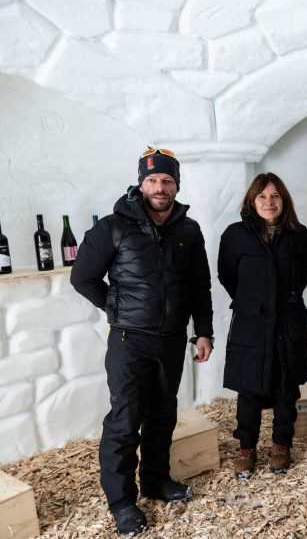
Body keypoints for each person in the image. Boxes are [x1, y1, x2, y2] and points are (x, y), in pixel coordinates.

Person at [71, 147, 213, 536]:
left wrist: (204, 331)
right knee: (125, 420)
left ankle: (156, 480)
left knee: (163, 413)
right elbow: (82, 278)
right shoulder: (113, 227)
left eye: (167, 180)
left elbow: (200, 285)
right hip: (129, 340)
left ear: (177, 185)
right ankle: (122, 502)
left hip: (171, 340)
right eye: (152, 180)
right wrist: (116, 310)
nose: (159, 187)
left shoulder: (188, 229)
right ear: (140, 183)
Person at [218, 173, 307, 478]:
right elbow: (227, 275)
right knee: (249, 387)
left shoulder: (298, 235)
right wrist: (253, 302)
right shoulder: (235, 235)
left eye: (275, 196)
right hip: (251, 322)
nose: (268, 202)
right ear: (251, 201)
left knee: (286, 385)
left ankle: (281, 444)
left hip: (288, 319)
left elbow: (303, 274)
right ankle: (246, 447)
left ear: (283, 201)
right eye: (262, 196)